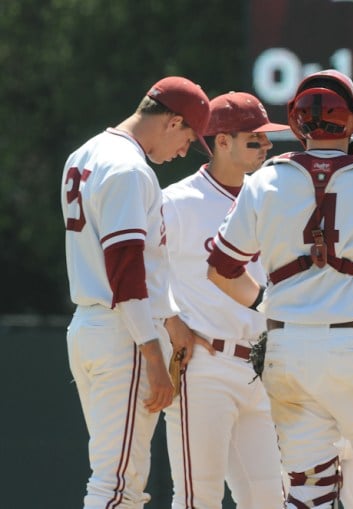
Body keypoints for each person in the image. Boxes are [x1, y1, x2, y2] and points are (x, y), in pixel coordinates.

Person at [206, 69, 353, 508]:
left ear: (297, 122)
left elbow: (220, 270)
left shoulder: (265, 180)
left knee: (309, 490)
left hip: (287, 345)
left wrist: (271, 307)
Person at [60, 76, 210, 508]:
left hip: (90, 327)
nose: (184, 151)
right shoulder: (128, 168)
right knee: (118, 485)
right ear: (173, 121)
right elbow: (125, 272)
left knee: (113, 476)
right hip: (122, 334)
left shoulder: (85, 153)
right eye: (187, 137)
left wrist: (169, 319)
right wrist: (152, 356)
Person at [161, 91, 288, 508]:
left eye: (267, 139)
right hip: (205, 365)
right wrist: (168, 318)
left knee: (272, 497)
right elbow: (139, 270)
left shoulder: (271, 198)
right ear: (221, 142)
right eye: (255, 139)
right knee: (199, 498)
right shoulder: (177, 202)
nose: (266, 147)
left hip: (262, 368)